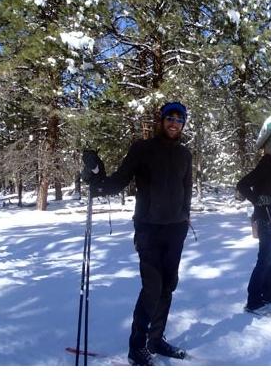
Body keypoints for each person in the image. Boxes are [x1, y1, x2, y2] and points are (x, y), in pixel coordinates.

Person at [81, 101, 192, 366]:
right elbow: (119, 180)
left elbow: (186, 188)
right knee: (152, 287)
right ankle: (137, 346)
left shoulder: (185, 154)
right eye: (170, 118)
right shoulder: (142, 149)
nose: (174, 123)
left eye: (179, 120)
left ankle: (156, 339)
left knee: (167, 287)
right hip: (149, 229)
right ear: (161, 120)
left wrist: (185, 217)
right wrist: (96, 178)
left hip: (175, 229)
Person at [236, 133, 271, 314]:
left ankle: (269, 295)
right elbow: (242, 184)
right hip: (267, 219)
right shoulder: (265, 167)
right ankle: (253, 301)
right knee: (264, 261)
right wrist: (257, 199)